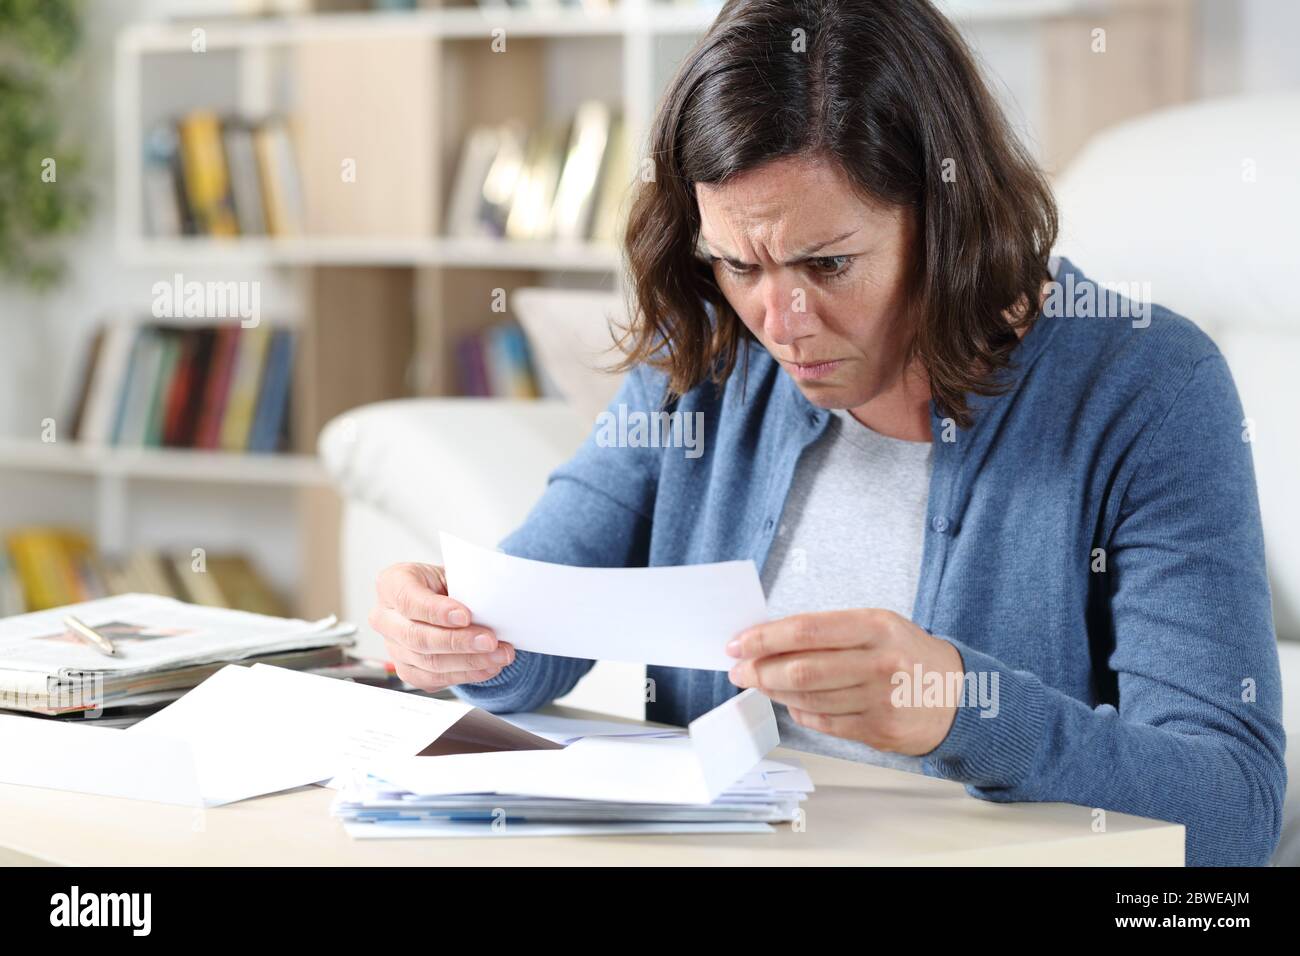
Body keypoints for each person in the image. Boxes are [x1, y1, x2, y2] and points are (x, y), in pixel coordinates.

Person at [368, 0, 1285, 865]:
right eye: (738, 262)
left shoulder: (1149, 387)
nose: (783, 319)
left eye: (829, 262)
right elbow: (530, 628)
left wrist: (957, 707)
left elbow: (1232, 810)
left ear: (948, 220)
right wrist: (455, 634)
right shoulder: (707, 354)